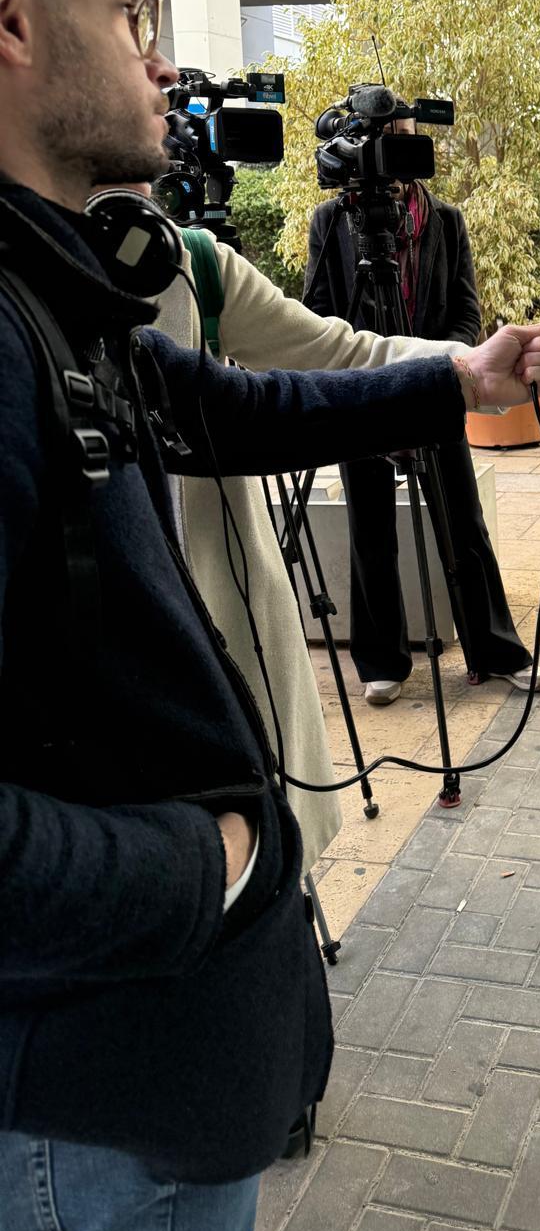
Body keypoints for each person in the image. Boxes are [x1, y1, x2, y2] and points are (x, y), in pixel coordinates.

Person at [0, 0, 540, 1231]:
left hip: (146, 1086)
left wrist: (455, 379)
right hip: (92, 1124)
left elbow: (222, 404)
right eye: (129, 11)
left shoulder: (52, 279)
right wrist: (210, 866)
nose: (159, 62)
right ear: (15, 17)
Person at [133, 213, 494, 873]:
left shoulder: (193, 264)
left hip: (234, 625)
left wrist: (467, 371)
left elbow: (321, 362)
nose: (161, 107)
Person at [306, 182, 540, 704]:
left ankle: (497, 651)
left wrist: (440, 370)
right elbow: (318, 311)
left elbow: (465, 309)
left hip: (436, 387)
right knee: (369, 530)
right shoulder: (331, 219)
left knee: (464, 522)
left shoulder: (445, 219)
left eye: (401, 137)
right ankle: (380, 664)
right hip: (361, 390)